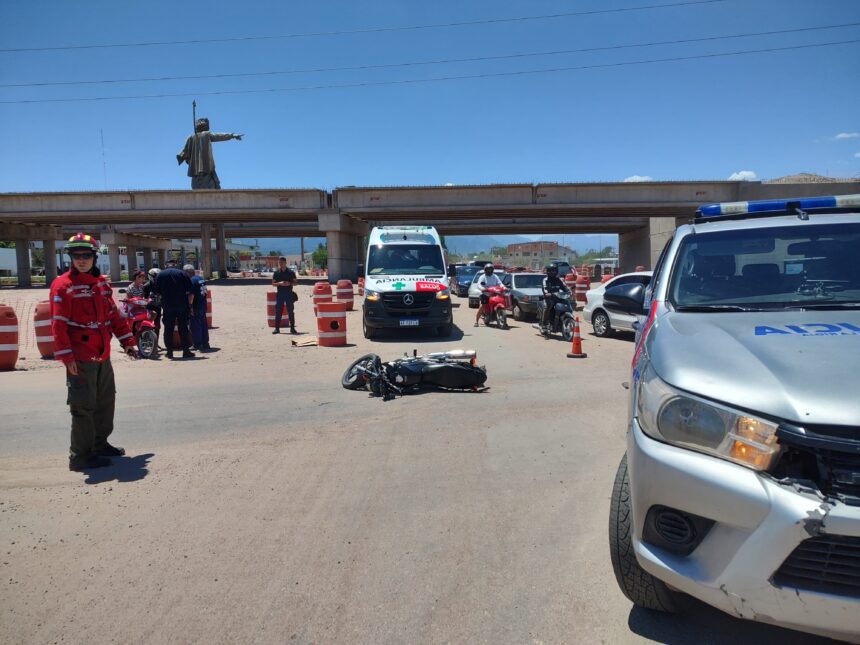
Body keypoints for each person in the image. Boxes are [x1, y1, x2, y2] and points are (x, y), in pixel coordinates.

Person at [50, 233, 138, 472]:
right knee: (83, 407)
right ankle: (80, 457)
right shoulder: (63, 286)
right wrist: (67, 357)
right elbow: (58, 325)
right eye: (76, 256)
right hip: (80, 357)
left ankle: (99, 445)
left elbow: (113, 316)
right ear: (70, 257)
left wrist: (128, 341)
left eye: (86, 255)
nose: (81, 260)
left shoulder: (101, 283)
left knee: (105, 402)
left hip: (102, 355)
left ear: (94, 256)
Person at [176, 117, 243, 190]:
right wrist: (232, 135)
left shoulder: (190, 138)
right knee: (214, 186)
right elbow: (219, 136)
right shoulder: (205, 135)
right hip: (206, 167)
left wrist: (181, 156)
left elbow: (183, 152)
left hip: (195, 171)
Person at [155, 259, 194, 359]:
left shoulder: (160, 275)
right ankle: (186, 351)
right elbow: (190, 292)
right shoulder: (183, 274)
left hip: (168, 306)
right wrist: (190, 305)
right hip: (182, 305)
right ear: (175, 265)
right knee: (183, 328)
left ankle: (169, 352)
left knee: (168, 329)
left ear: (166, 265)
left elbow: (157, 293)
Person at [184, 264, 210, 350]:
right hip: (202, 304)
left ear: (187, 272)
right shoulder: (200, 279)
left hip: (196, 305)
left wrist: (190, 306)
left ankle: (197, 344)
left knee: (195, 325)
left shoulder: (191, 281)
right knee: (203, 324)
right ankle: (205, 343)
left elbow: (191, 295)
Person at [271, 256, 298, 334]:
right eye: (279, 263)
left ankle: (292, 328)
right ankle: (277, 329)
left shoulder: (290, 272)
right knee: (278, 311)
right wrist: (279, 283)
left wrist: (289, 283)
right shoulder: (276, 273)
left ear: (285, 263)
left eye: (282, 262)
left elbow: (296, 283)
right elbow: (273, 283)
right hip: (280, 294)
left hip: (289, 293)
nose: (280, 264)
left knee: (290, 311)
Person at [541, 263, 570, 331]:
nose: (553, 272)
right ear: (548, 272)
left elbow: (564, 287)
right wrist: (547, 293)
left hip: (557, 297)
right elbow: (545, 288)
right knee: (548, 305)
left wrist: (569, 291)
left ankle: (559, 320)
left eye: (554, 271)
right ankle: (544, 323)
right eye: (552, 271)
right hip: (549, 298)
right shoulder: (545, 280)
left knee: (566, 302)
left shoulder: (558, 280)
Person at [143, 267, 162, 337]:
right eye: (156, 276)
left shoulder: (161, 285)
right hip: (149, 308)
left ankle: (156, 341)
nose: (158, 278)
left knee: (158, 325)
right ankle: (146, 338)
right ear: (150, 276)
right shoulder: (146, 286)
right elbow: (144, 298)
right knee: (147, 324)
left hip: (158, 307)